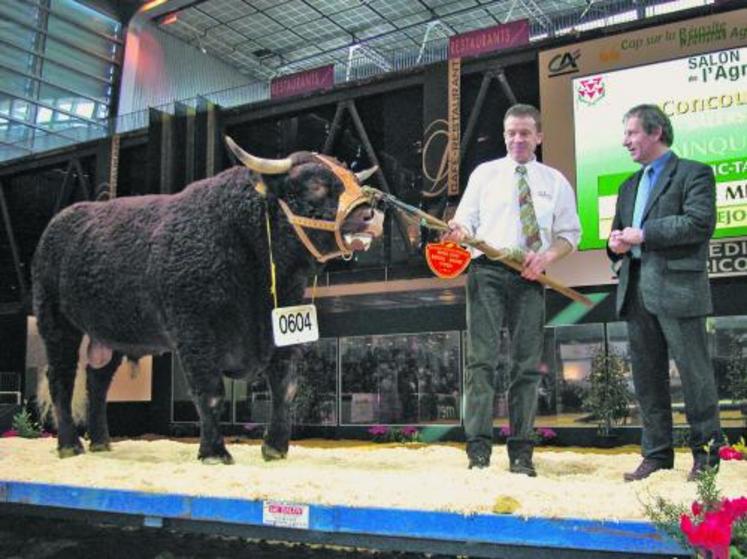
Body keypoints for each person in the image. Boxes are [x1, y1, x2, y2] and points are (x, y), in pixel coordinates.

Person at [443, 103, 581, 475]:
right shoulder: (484, 174)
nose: (517, 139)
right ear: (504, 135)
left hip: (530, 277)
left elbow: (571, 235)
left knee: (526, 367)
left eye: (524, 133)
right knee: (481, 362)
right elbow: (464, 220)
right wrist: (459, 230)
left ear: (539, 136)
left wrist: (546, 257)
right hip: (486, 271)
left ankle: (521, 451)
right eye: (511, 133)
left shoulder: (555, 181)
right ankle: (478, 450)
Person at [607, 104, 723, 482]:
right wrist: (615, 244)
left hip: (679, 289)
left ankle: (707, 456)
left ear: (656, 133)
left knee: (695, 375)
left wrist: (644, 234)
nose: (625, 141)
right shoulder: (628, 185)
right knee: (646, 377)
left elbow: (699, 223)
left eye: (631, 133)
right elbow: (618, 233)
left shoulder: (694, 173)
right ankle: (656, 454)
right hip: (636, 288)